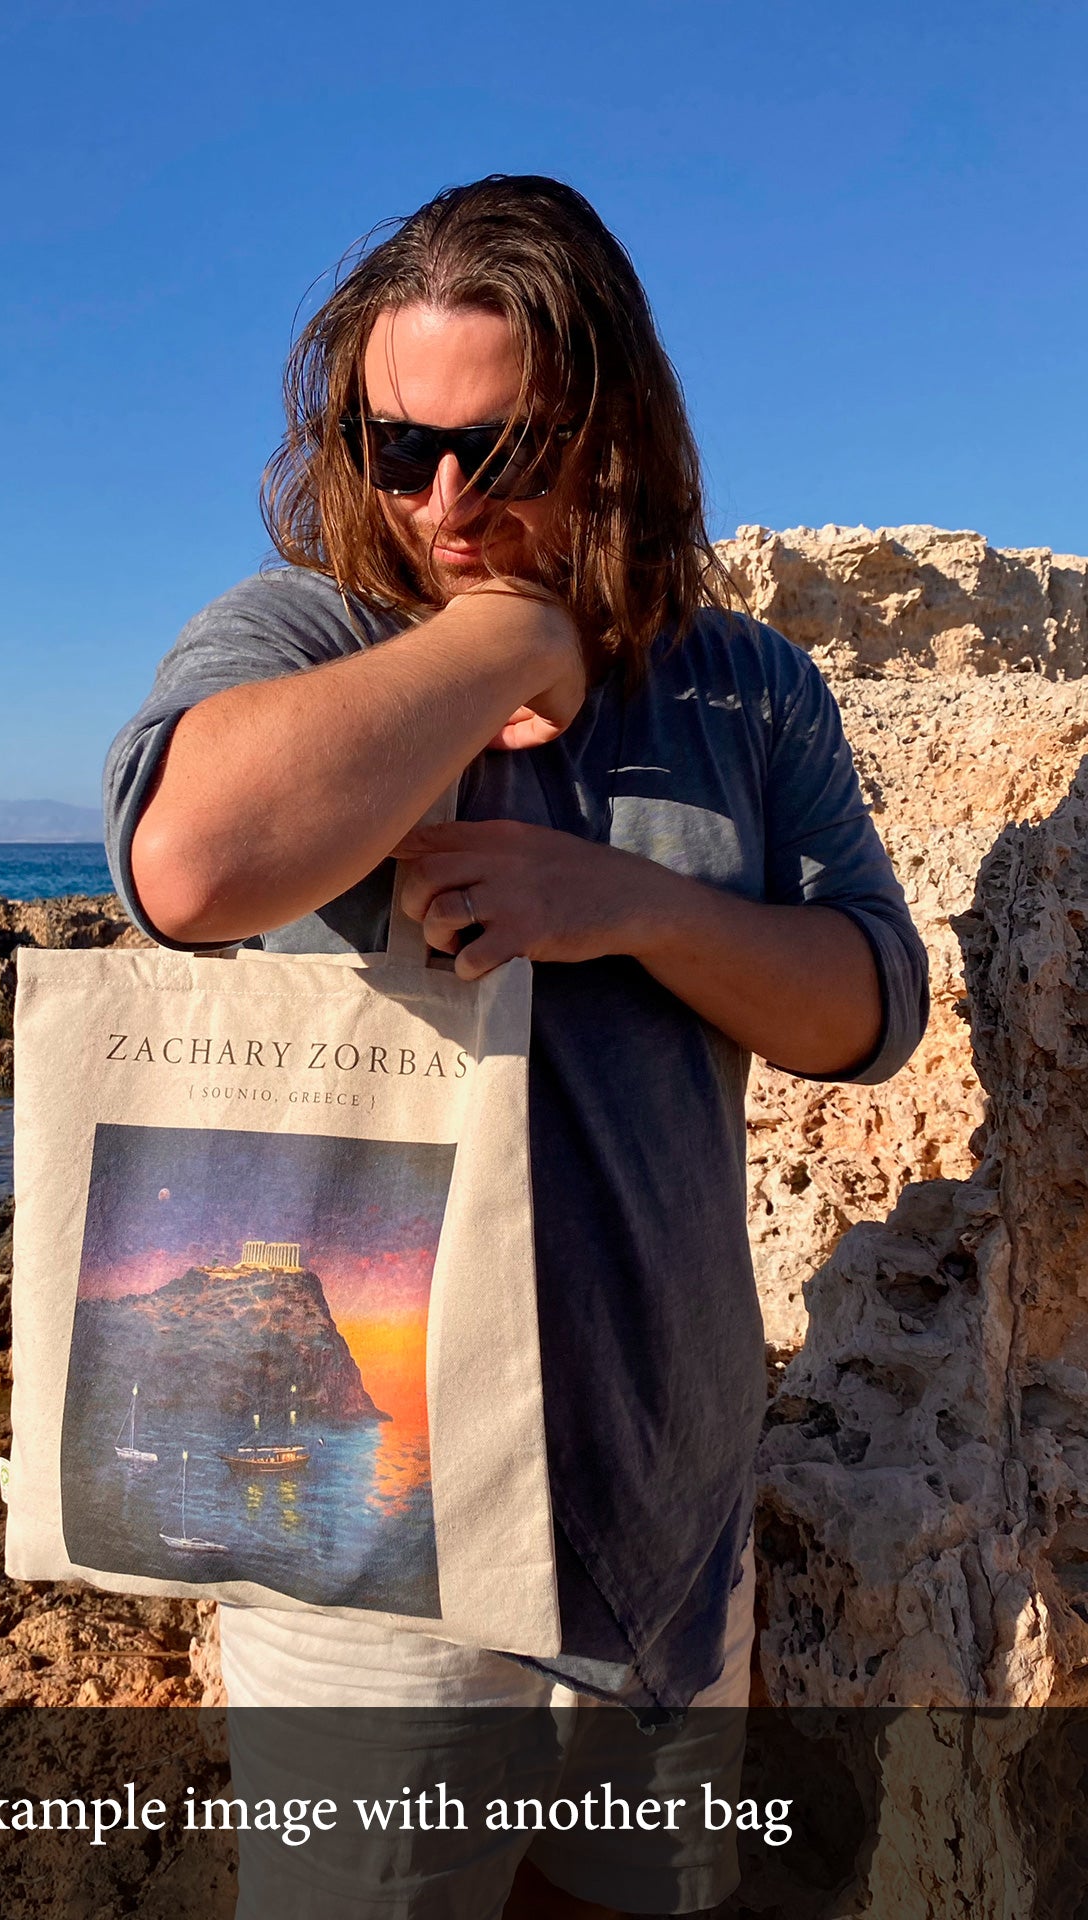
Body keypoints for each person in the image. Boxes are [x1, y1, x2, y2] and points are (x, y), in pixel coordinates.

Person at [103, 175, 928, 1915]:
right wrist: (505, 633)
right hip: (369, 1557)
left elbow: (870, 1010)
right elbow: (188, 864)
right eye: (402, 451)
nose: (447, 500)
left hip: (668, 1509)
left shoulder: (750, 692)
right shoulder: (309, 638)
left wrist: (624, 904)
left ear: (614, 427)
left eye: (506, 447)